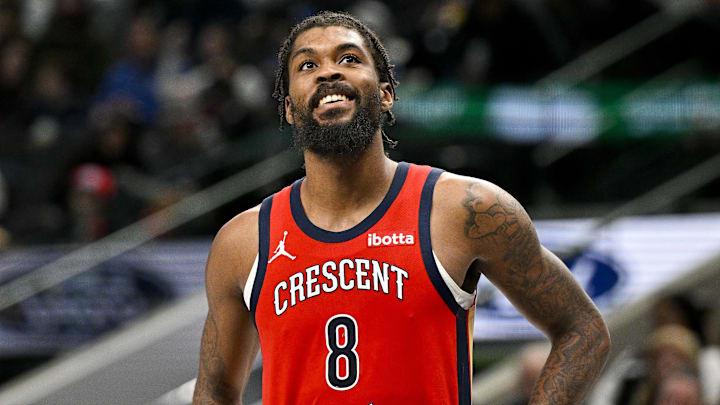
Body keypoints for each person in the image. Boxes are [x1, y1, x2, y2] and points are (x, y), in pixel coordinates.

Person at [193, 11, 610, 404]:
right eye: (307, 65)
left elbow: (583, 329)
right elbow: (215, 388)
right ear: (289, 109)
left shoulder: (468, 209)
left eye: (349, 58)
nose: (328, 71)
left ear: (387, 93)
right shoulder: (243, 242)